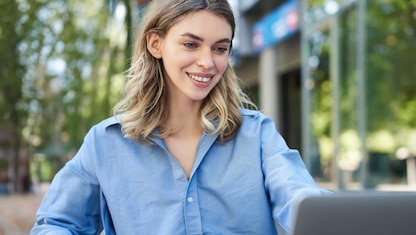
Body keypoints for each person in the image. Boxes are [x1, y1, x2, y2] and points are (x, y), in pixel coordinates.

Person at [31, 0, 331, 234]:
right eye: (191, 44)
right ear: (155, 44)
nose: (207, 62)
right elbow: (55, 223)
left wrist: (331, 217)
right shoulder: (105, 143)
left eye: (220, 48)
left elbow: (298, 197)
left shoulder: (258, 135)